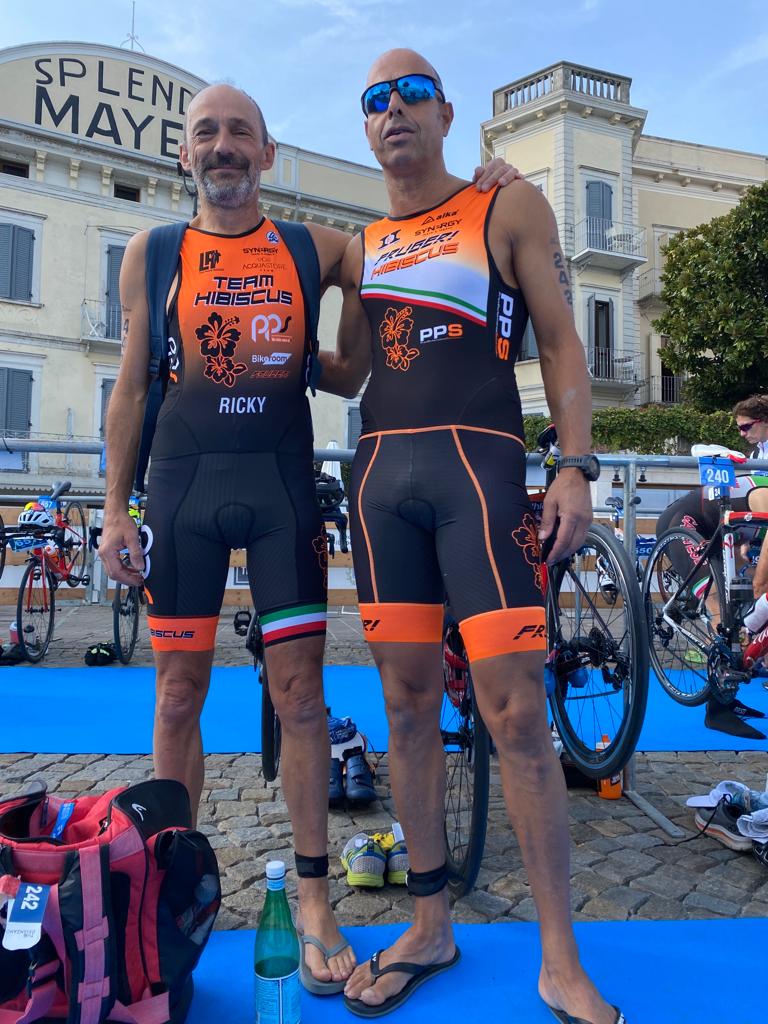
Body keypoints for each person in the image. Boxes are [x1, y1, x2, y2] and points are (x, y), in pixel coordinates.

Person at [98, 82, 518, 994]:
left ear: (267, 152)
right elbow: (131, 385)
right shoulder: (152, 251)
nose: (222, 146)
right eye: (205, 133)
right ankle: (173, 890)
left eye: (239, 132)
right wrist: (113, 509)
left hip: (281, 491)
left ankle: (317, 899)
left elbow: (411, 241)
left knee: (300, 698)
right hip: (181, 488)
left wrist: (488, 190)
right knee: (176, 696)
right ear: (184, 153)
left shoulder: (315, 246)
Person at [318, 50, 621, 1024]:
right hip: (381, 484)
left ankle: (560, 958)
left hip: (481, 479)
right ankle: (430, 924)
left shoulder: (506, 204)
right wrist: (243, 345)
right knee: (406, 709)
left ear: (446, 114)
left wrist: (574, 465)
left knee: (518, 716)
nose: (394, 110)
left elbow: (561, 339)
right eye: (376, 99)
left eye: (412, 93)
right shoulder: (361, 248)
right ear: (365, 124)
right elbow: (347, 370)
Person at [653, 396, 768, 735]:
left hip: (722, 525)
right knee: (719, 600)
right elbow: (761, 583)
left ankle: (726, 693)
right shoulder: (762, 478)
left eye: (745, 427)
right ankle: (717, 708)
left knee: (737, 607)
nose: (742, 434)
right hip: (683, 522)